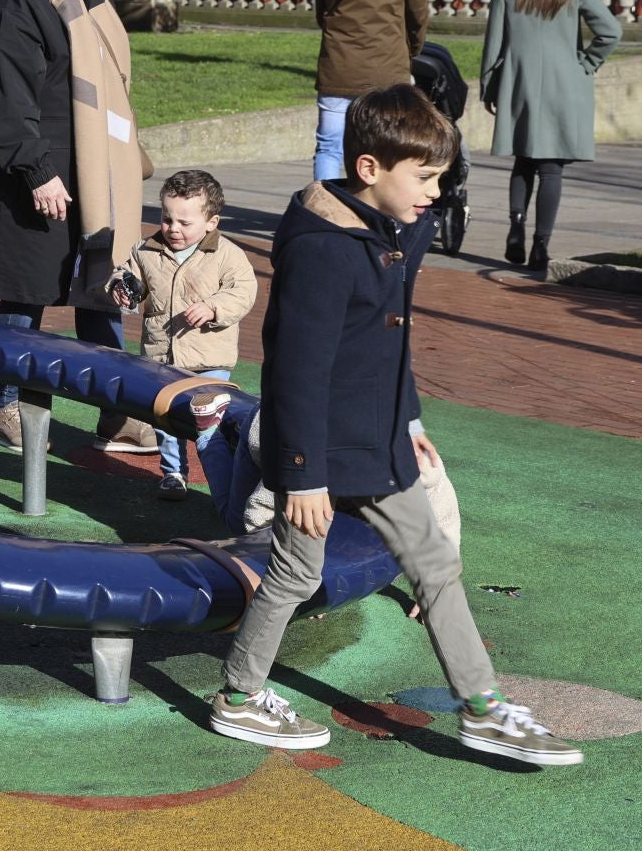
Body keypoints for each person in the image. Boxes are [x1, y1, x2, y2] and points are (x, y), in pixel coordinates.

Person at [204, 84, 582, 767]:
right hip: (318, 448)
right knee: (293, 575)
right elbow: (295, 371)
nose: (435, 193)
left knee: (437, 565)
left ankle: (483, 709)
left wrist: (407, 416)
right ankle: (238, 697)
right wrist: (302, 476)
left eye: (440, 177)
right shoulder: (323, 247)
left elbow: (392, 337)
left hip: (379, 442)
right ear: (370, 169)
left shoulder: (395, 227)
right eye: (424, 177)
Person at [0, 0, 150, 454]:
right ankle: (7, 406)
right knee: (26, 295)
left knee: (101, 284)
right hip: (34, 173)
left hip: (91, 170)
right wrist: (36, 170)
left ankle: (116, 410)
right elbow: (2, 97)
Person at [479, 0, 621, 271]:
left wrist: (490, 86)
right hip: (564, 86)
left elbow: (494, 43)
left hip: (520, 83)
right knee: (552, 170)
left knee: (523, 161)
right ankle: (541, 245)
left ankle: (515, 227)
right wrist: (586, 63)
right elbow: (611, 32)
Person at [107, 170, 256, 500]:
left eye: (184, 223)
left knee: (210, 423)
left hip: (209, 359)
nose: (173, 228)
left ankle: (225, 480)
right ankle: (173, 472)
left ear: (211, 222)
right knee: (166, 420)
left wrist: (214, 308)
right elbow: (127, 276)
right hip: (162, 357)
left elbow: (243, 291)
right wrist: (122, 288)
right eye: (166, 218)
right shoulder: (147, 251)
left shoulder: (227, 254)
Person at [311, 0, 429, 182]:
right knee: (385, 148)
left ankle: (324, 216)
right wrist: (412, 49)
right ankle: (376, 211)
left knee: (329, 147)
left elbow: (322, 13)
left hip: (339, 69)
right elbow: (417, 14)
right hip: (387, 71)